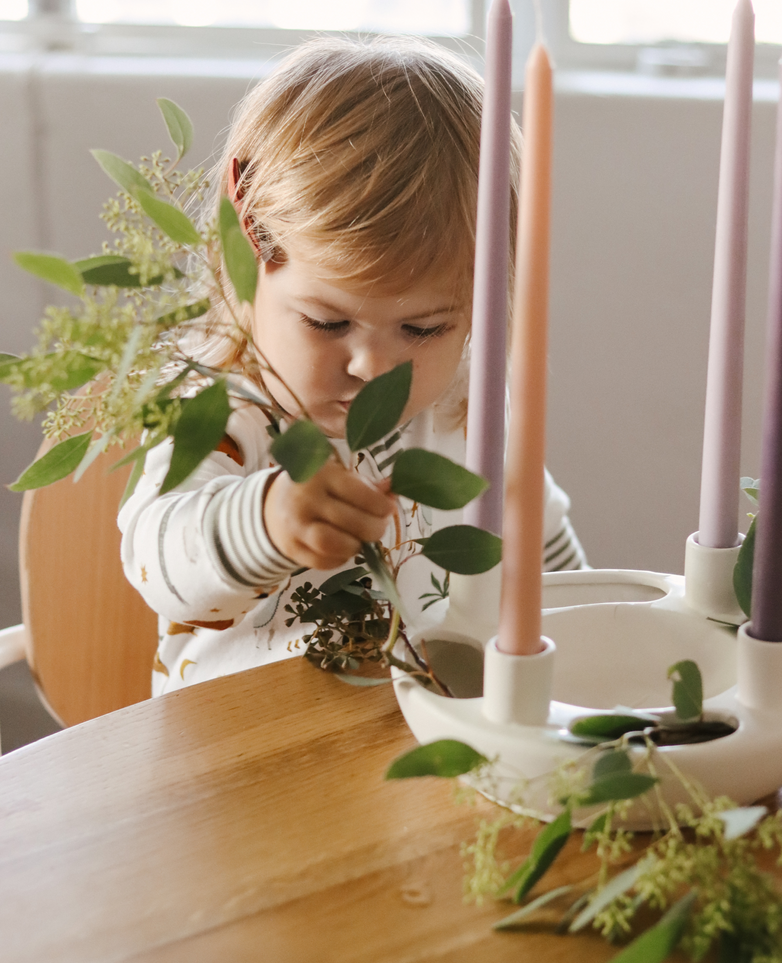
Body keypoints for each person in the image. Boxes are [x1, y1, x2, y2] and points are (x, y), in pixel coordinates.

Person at [118, 35, 586, 696]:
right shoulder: (216, 404)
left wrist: (583, 641)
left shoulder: (463, 403)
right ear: (249, 244)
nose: (373, 366)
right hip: (241, 760)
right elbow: (156, 562)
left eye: (424, 328)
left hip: (412, 741)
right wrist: (266, 521)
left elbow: (539, 544)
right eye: (328, 322)